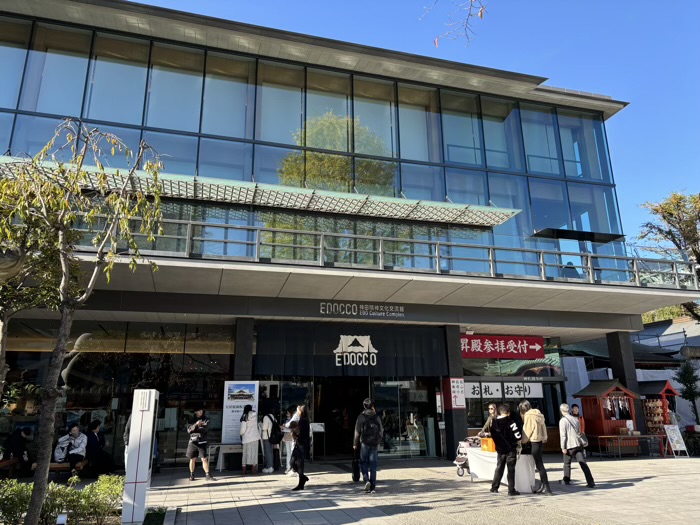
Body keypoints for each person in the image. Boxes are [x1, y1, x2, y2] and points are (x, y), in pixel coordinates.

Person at [519, 400, 552, 496]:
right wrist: (544, 437)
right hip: (540, 441)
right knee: (539, 464)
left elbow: (527, 430)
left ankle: (547, 487)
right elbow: (544, 427)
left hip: (534, 441)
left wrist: (522, 441)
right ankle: (543, 486)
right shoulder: (538, 414)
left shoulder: (528, 415)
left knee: (539, 465)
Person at [559, 403, 594, 488]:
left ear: (561, 411)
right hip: (578, 444)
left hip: (569, 445)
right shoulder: (576, 419)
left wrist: (563, 447)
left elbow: (563, 435)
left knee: (567, 463)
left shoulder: (563, 421)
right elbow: (579, 431)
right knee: (583, 463)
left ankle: (566, 480)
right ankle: (590, 481)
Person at [489, 404, 522, 496]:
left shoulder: (494, 422)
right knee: (510, 470)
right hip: (510, 449)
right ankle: (511, 490)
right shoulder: (511, 422)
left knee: (499, 468)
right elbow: (518, 436)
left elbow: (492, 435)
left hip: (499, 450)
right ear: (508, 412)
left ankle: (494, 487)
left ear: (499, 412)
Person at [353, 398, 383, 494]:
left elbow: (357, 432)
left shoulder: (361, 417)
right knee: (373, 465)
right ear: (372, 406)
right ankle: (373, 487)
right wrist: (378, 441)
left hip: (364, 443)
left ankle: (366, 480)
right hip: (374, 443)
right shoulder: (377, 417)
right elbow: (381, 431)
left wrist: (355, 443)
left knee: (363, 462)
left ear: (364, 406)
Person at [186, 407, 214, 481]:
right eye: (198, 411)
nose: (200, 412)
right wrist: (196, 425)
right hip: (192, 441)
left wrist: (194, 428)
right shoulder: (191, 419)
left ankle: (208, 475)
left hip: (202, 441)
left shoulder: (206, 419)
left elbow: (204, 429)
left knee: (204, 459)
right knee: (192, 459)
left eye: (201, 411)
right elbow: (189, 430)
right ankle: (191, 475)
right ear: (195, 412)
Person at [290, 405, 310, 490]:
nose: (297, 412)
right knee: (292, 462)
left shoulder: (304, 421)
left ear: (301, 412)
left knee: (299, 464)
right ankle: (303, 477)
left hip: (302, 444)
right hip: (298, 443)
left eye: (298, 411)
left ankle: (301, 483)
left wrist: (296, 434)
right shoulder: (301, 420)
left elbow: (303, 434)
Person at [240, 404, 260, 474]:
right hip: (255, 437)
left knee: (245, 454)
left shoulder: (245, 416)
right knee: (254, 454)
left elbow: (243, 429)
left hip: (247, 438)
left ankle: (244, 471)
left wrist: (241, 434)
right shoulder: (255, 416)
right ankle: (253, 470)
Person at [261, 404, 278, 474]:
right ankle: (271, 466)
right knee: (270, 452)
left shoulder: (266, 417)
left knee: (267, 452)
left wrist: (261, 425)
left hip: (266, 437)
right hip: (272, 436)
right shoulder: (272, 416)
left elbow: (264, 428)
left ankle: (269, 466)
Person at [283, 405, 300, 475]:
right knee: (290, 453)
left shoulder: (293, 419)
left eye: (288, 413)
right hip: (289, 437)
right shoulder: (293, 418)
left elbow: (289, 427)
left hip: (290, 437)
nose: (287, 414)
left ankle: (291, 468)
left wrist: (284, 426)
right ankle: (289, 467)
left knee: (291, 453)